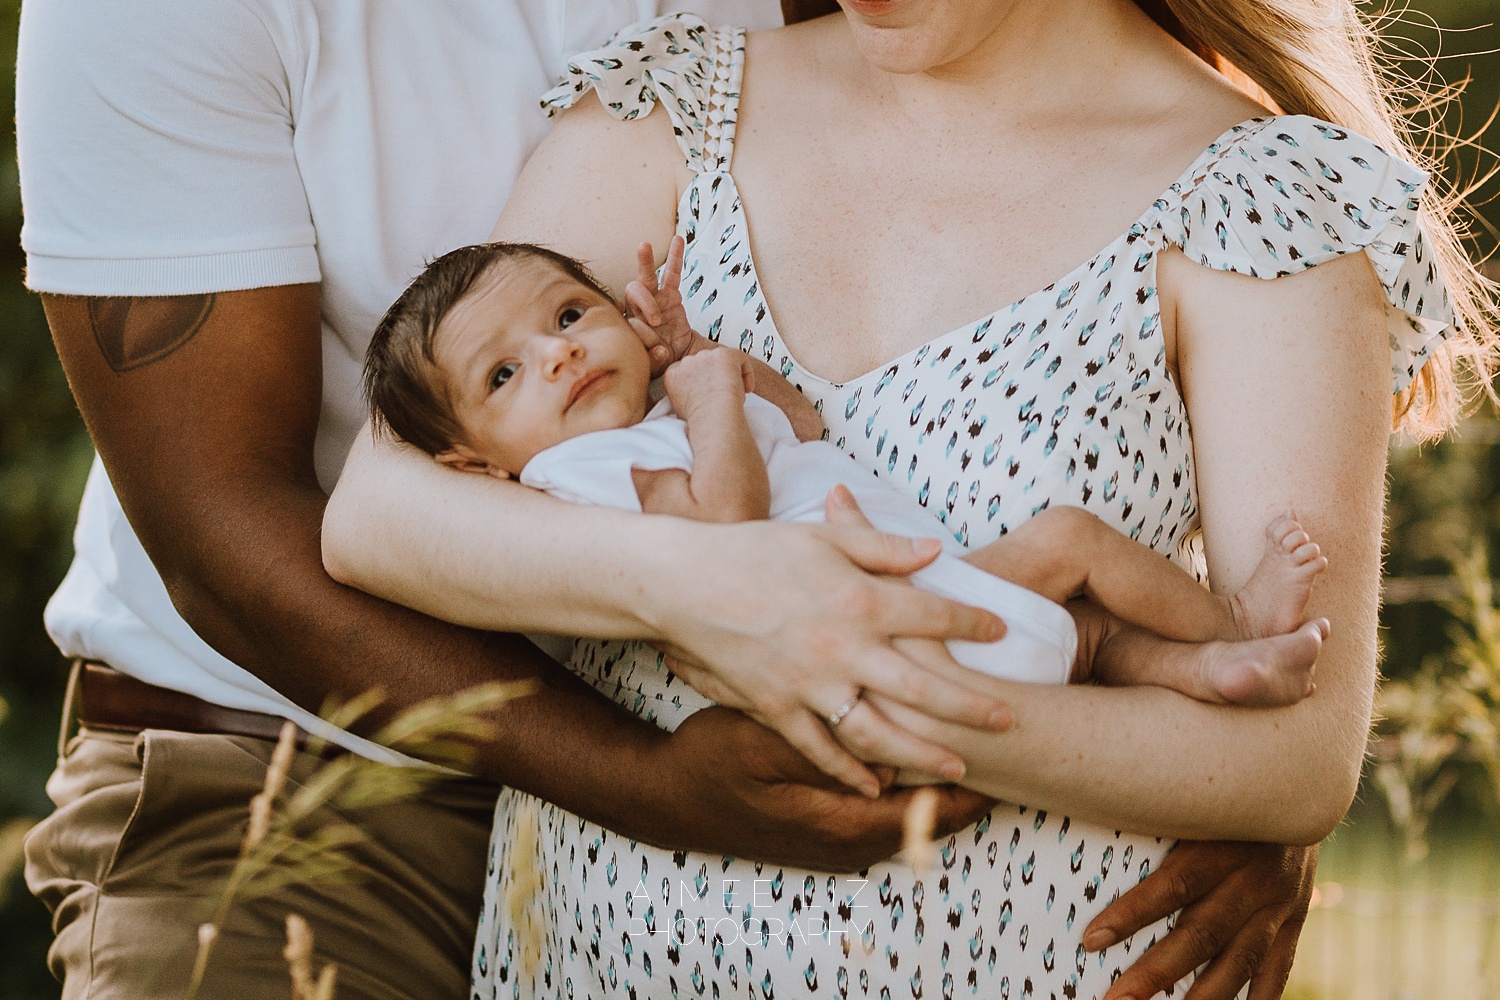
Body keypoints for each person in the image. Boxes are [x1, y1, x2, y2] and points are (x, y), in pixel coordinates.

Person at [12, 0, 1320, 997]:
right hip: (295, 753)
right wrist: (645, 782)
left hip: (746, 721)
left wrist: (1233, 774)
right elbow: (223, 534)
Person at [318, 2, 1495, 998]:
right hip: (599, 957)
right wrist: (716, 592)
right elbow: (381, 512)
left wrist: (868, 695)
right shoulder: (672, 104)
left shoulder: (1260, 198)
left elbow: (1295, 757)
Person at [366, 237, 1331, 705]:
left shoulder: (662, 413)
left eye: (570, 314)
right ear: (469, 460)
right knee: (1071, 545)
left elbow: (801, 420)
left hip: (922, 592)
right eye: (505, 374)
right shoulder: (575, 482)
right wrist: (703, 399)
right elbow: (725, 533)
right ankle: (1232, 624)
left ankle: (1210, 668)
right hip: (861, 626)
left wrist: (707, 361)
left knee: (1088, 638)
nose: (558, 355)